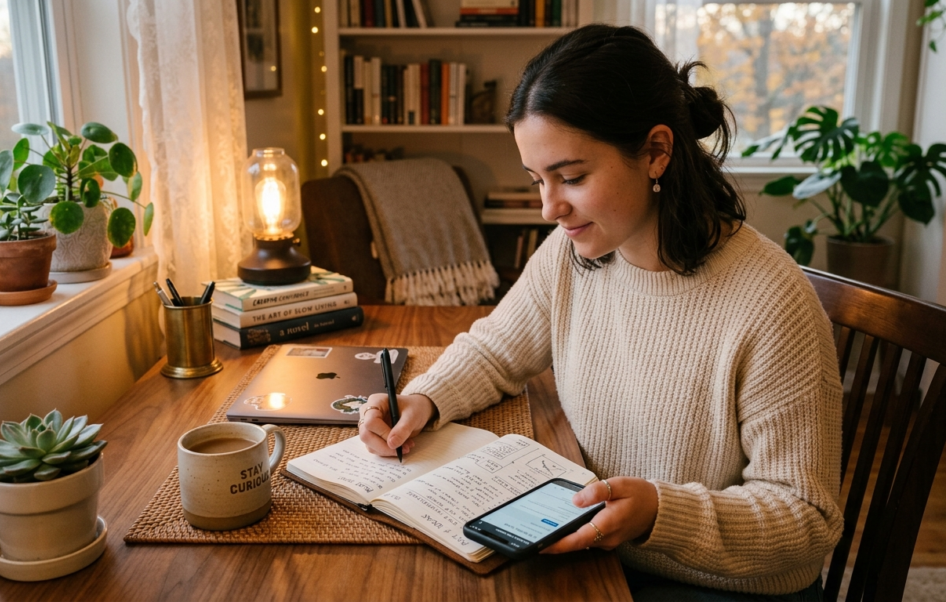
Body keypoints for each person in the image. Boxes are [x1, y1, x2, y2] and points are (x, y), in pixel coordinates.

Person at [357, 24, 843, 601]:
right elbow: (496, 350)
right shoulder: (575, 253)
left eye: (572, 177)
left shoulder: (769, 301)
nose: (549, 207)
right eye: (538, 180)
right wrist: (424, 398)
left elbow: (806, 518)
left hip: (717, 583)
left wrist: (661, 513)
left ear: (656, 152)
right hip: (593, 549)